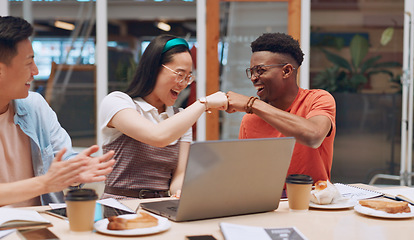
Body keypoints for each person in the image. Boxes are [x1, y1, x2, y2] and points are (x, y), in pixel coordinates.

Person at [0, 16, 116, 207]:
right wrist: (44, 183)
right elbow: (47, 181)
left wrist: (74, 172)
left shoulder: (35, 106)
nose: (35, 71)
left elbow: (63, 157)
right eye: (28, 63)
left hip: (42, 223)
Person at [99, 34, 227, 200]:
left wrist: (178, 192)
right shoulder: (117, 102)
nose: (183, 83)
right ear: (154, 69)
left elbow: (178, 176)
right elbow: (158, 136)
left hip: (160, 207)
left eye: (188, 77)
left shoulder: (180, 118)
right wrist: (204, 103)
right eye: (179, 74)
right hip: (121, 207)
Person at [226, 33, 336, 185]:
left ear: (286, 71)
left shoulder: (317, 99)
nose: (253, 77)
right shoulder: (250, 120)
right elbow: (246, 175)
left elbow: (314, 136)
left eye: (260, 70)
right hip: (269, 205)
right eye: (251, 71)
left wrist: (252, 104)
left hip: (314, 204)